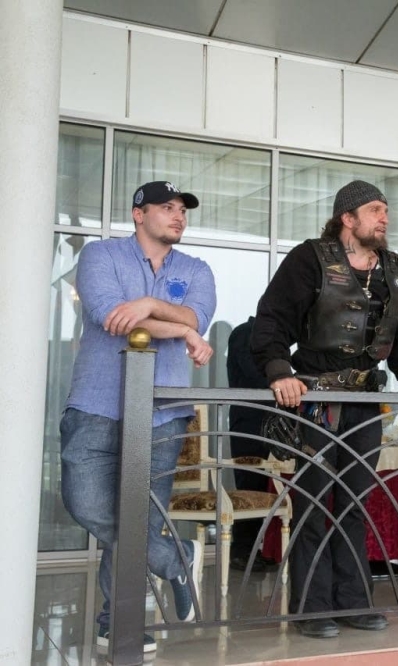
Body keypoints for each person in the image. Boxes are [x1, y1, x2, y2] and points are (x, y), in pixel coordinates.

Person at [251, 180, 398, 638]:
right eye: (375, 209)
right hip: (315, 400)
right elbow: (272, 319)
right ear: (347, 217)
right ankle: (310, 607)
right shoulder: (309, 258)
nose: (385, 218)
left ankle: (353, 601)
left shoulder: (394, 270)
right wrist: (280, 372)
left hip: (363, 402)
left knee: (355, 503)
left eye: (386, 210)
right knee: (314, 502)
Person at [60, 181, 217, 653]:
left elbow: (197, 318)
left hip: (162, 415)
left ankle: (118, 622)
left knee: (140, 516)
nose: (178, 216)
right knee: (87, 504)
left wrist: (149, 306)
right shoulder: (100, 256)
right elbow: (112, 317)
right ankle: (174, 557)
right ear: (138, 214)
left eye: (182, 209)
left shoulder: (196, 269)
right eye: (167, 207)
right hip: (95, 405)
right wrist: (180, 329)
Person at [226, 316, 276, 572]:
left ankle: (254, 549)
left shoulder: (263, 337)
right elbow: (255, 376)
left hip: (263, 421)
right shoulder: (246, 333)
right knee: (249, 485)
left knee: (263, 487)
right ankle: (241, 552)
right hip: (249, 422)